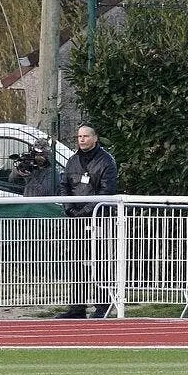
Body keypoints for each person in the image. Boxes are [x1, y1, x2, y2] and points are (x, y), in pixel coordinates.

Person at [57, 123, 118, 318]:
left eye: (85, 136)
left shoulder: (106, 161)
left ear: (95, 138)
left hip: (99, 219)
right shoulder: (73, 160)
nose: (82, 140)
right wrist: (69, 209)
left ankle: (103, 307)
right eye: (79, 136)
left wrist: (85, 211)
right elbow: (64, 186)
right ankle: (77, 308)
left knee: (100, 262)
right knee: (77, 262)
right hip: (75, 220)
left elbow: (107, 191)